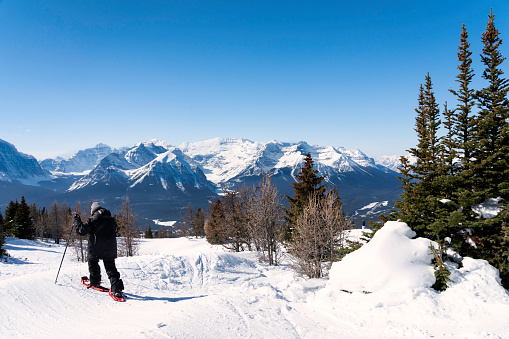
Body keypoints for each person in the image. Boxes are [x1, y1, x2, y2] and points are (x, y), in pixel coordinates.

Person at [73, 201, 124, 298]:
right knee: (111, 268)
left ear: (93, 210)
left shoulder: (93, 219)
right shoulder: (111, 219)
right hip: (110, 247)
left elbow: (81, 230)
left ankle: (95, 281)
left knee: (93, 262)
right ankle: (117, 288)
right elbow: (116, 230)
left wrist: (76, 220)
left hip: (96, 247)